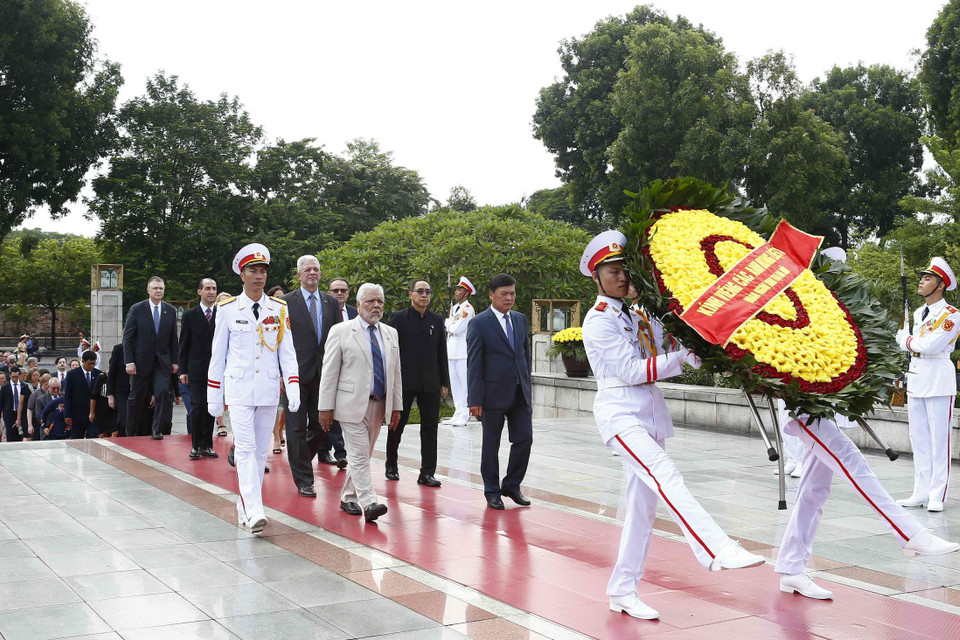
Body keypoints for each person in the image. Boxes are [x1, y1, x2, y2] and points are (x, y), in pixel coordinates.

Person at [579, 230, 765, 621]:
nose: (621, 276)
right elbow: (631, 371)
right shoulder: (598, 321)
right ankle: (715, 547)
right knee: (665, 474)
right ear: (596, 277)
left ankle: (623, 589)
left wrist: (699, 347)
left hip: (648, 412)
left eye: (624, 269)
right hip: (620, 413)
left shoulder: (638, 312)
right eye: (612, 271)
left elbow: (666, 348)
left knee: (642, 509)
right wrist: (680, 359)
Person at [207, 243, 300, 534]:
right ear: (242, 275)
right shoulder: (227, 310)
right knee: (246, 448)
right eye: (253, 271)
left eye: (262, 271)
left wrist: (293, 386)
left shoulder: (279, 308)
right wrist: (214, 394)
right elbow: (217, 355)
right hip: (239, 389)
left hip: (269, 389)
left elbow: (287, 352)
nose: (259, 276)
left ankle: (244, 505)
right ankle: (254, 508)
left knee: (261, 452)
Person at [319, 283, 402, 522]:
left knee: (363, 454)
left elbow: (395, 373)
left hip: (379, 403)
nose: (376, 306)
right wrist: (325, 407)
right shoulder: (341, 331)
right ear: (358, 304)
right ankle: (369, 501)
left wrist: (396, 406)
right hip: (349, 403)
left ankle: (348, 497)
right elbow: (329, 372)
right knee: (357, 453)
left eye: (380, 302)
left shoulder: (390, 333)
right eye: (370, 301)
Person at [896, 257, 960, 512]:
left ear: (940, 285)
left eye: (927, 278)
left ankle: (937, 494)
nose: (922, 282)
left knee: (938, 440)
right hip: (917, 374)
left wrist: (906, 341)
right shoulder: (917, 312)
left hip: (938, 376)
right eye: (922, 278)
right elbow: (916, 343)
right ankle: (920, 491)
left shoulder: (951, 315)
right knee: (918, 439)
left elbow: (931, 345)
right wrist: (909, 341)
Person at [466, 273, 533, 510]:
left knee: (524, 439)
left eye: (512, 293)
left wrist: (527, 386)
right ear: (491, 294)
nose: (509, 298)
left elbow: (525, 356)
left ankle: (512, 485)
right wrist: (474, 399)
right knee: (491, 445)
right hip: (492, 395)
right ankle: (492, 491)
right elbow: (473, 362)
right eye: (504, 294)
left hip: (519, 393)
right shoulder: (479, 323)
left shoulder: (520, 319)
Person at [282, 256, 341, 498]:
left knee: (321, 426)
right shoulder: (285, 302)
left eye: (316, 269)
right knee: (295, 428)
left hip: (324, 374)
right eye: (307, 269)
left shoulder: (330, 302)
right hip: (295, 375)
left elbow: (337, 338)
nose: (313, 273)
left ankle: (300, 459)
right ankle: (304, 479)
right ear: (299, 275)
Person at [387, 279, 449, 486]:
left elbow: (442, 352)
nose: (424, 295)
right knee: (397, 424)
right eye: (420, 291)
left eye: (428, 292)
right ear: (410, 294)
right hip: (404, 381)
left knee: (430, 427)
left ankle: (427, 472)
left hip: (430, 382)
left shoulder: (437, 320)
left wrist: (444, 382)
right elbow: (390, 351)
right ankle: (391, 465)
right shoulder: (398, 318)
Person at [123, 275, 180, 440]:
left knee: (162, 393)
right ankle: (131, 431)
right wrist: (129, 361)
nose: (158, 291)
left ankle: (157, 429)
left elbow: (173, 338)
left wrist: (175, 361)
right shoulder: (137, 309)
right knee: (136, 397)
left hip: (162, 362)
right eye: (155, 288)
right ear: (148, 290)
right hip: (140, 362)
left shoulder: (170, 310)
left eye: (161, 288)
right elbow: (128, 337)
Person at [179, 278, 220, 460]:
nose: (211, 292)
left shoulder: (222, 314)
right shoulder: (190, 315)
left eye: (214, 289)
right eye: (208, 289)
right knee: (197, 407)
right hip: (195, 369)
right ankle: (195, 445)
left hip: (216, 370)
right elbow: (183, 344)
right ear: (199, 292)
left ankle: (207, 445)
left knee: (211, 407)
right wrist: (182, 370)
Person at [319, 277, 356, 464]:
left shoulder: (355, 313)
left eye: (343, 290)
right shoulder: (323, 312)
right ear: (329, 293)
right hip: (328, 367)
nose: (339, 293)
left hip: (350, 370)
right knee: (328, 409)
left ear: (348, 293)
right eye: (335, 290)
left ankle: (336, 450)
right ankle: (337, 452)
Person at [444, 276, 475, 427]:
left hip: (463, 351)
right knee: (455, 384)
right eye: (456, 289)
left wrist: (448, 324)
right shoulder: (455, 308)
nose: (456, 292)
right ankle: (458, 411)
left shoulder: (467, 309)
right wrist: (450, 324)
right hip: (452, 350)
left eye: (459, 289)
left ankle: (466, 413)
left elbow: (457, 328)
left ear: (467, 293)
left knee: (464, 384)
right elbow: (452, 327)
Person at [266, 285, 288, 455]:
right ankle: (275, 436)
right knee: (274, 405)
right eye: (277, 297)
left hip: (290, 365)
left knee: (288, 407)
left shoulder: (289, 314)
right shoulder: (269, 316)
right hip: (272, 366)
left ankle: (280, 431)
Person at [63, 350, 101, 439]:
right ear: (83, 361)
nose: (91, 366)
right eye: (89, 364)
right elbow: (68, 395)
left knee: (93, 438)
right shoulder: (72, 374)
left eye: (93, 364)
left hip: (93, 414)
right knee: (77, 439)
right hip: (77, 414)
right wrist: (67, 414)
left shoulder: (98, 374)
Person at [214, 292, 233, 437]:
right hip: (218, 362)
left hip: (233, 362)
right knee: (219, 393)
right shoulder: (215, 319)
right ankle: (221, 424)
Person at [106, 343, 130, 436]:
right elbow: (112, 372)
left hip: (138, 390)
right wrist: (110, 394)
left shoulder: (142, 347)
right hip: (121, 390)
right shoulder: (119, 349)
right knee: (123, 419)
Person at [0, 366, 29, 442]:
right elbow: (1, 403)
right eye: (13, 377)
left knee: (21, 435)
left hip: (22, 414)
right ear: (9, 375)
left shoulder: (24, 386)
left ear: (19, 375)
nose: (15, 379)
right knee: (10, 436)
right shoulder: (5, 388)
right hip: (9, 414)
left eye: (16, 377)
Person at [90, 369, 118, 437]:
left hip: (114, 411)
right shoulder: (102, 377)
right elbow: (94, 397)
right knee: (102, 434)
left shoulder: (119, 377)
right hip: (102, 411)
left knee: (115, 432)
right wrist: (91, 412)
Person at [26, 373, 51, 440]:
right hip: (37, 423)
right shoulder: (35, 394)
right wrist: (30, 425)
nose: (47, 387)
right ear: (42, 383)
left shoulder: (51, 393)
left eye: (49, 385)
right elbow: (29, 410)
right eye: (46, 385)